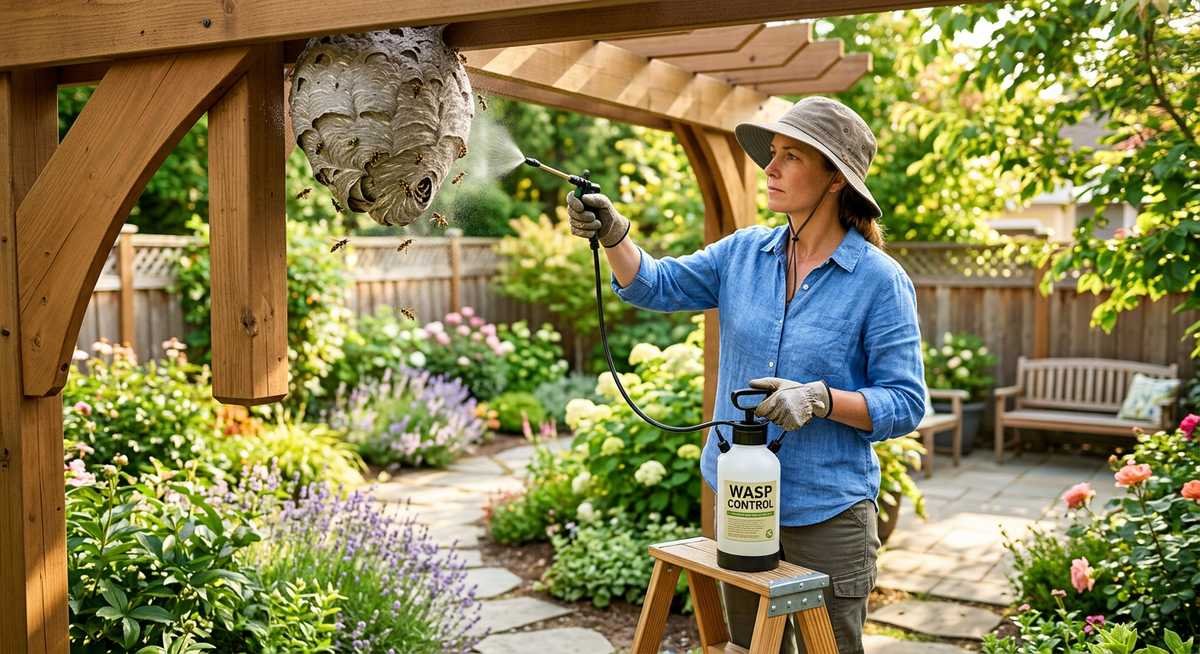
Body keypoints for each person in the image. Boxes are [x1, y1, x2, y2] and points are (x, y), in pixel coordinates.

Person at [564, 96, 926, 653]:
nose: (770, 168)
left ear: (835, 179)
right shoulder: (742, 253)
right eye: (772, 153)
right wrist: (614, 234)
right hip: (739, 499)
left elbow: (905, 402)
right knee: (750, 647)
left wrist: (821, 399)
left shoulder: (880, 280)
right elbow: (655, 284)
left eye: (791, 157)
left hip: (826, 511)